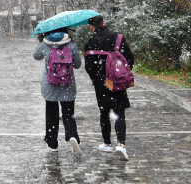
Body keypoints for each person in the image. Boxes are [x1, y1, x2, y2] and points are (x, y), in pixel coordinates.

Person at [84, 15, 134, 161]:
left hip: (101, 84)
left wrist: (98, 80)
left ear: (91, 27)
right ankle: (121, 144)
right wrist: (120, 74)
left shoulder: (89, 43)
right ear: (104, 23)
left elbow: (89, 68)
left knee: (104, 112)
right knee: (119, 113)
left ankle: (107, 143)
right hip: (118, 82)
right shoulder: (118, 38)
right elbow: (130, 58)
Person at [33, 29, 82, 155]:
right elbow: (77, 65)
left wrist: (41, 40)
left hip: (50, 84)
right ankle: (72, 136)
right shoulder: (71, 44)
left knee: (51, 114)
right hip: (67, 84)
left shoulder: (45, 43)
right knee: (68, 113)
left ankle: (52, 142)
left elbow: (36, 56)